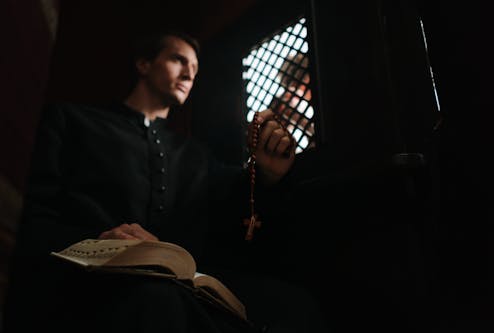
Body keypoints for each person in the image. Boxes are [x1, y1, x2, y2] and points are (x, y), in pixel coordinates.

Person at [2, 30, 329, 333]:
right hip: (90, 280)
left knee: (293, 304)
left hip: (184, 284)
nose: (189, 74)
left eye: (195, 68)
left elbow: (236, 210)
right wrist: (102, 239)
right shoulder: (71, 121)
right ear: (144, 64)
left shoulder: (198, 157)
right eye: (178, 60)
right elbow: (32, 216)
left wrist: (270, 173)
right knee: (154, 301)